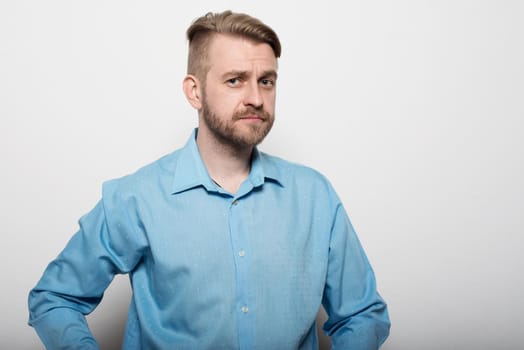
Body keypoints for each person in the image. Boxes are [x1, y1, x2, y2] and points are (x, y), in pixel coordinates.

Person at [28, 10, 390, 349]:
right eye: (235, 80)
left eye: (267, 81)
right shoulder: (136, 198)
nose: (256, 98)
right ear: (194, 91)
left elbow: (361, 313)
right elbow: (55, 298)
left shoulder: (315, 196)